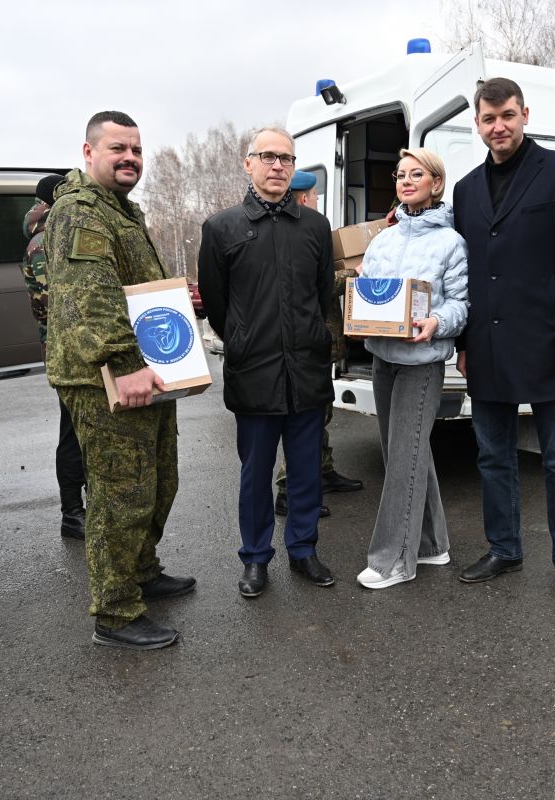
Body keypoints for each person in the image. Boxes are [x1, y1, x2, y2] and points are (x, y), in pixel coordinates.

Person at [452, 78, 555, 604]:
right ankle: (505, 548)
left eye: (508, 115)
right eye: (489, 118)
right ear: (477, 124)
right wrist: (465, 343)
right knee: (493, 458)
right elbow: (466, 271)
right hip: (489, 349)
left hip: (552, 349)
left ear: (525, 115)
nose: (499, 126)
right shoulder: (466, 189)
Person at [45, 110, 196, 649]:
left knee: (159, 482)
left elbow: (136, 289)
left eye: (136, 149)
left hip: (145, 372)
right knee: (120, 495)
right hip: (106, 378)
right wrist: (124, 362)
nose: (130, 157)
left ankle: (142, 571)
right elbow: (92, 293)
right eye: (117, 149)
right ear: (89, 153)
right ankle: (114, 612)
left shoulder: (123, 211)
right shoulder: (81, 211)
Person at [198, 128, 337, 598]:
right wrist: (241, 338)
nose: (278, 166)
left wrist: (318, 340)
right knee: (256, 474)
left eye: (287, 158)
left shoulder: (316, 229)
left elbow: (323, 298)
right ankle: (255, 559)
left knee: (305, 471)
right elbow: (217, 304)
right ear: (248, 163)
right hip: (254, 372)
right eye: (269, 157)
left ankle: (304, 550)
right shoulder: (222, 228)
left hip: (306, 372)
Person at [353, 148, 468, 589]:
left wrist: (437, 322)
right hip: (383, 358)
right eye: (399, 174)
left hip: (422, 364)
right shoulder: (384, 239)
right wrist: (361, 288)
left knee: (405, 458)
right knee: (405, 453)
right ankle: (433, 544)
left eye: (415, 174)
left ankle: (394, 560)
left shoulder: (451, 242)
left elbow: (461, 304)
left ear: (435, 183)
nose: (405, 180)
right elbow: (372, 296)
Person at [274, 169, 363, 519]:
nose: (313, 199)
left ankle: (322, 471)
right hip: (307, 340)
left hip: (321, 339)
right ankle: (286, 488)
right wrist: (355, 274)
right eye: (311, 195)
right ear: (303, 197)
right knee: (302, 417)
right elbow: (315, 284)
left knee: (319, 412)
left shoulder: (309, 226)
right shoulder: (297, 230)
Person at [22, 173, 87, 541]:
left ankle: (85, 505)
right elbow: (55, 302)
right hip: (68, 348)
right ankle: (72, 512)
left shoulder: (52, 231)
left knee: (83, 428)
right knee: (73, 430)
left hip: (73, 345)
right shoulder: (46, 240)